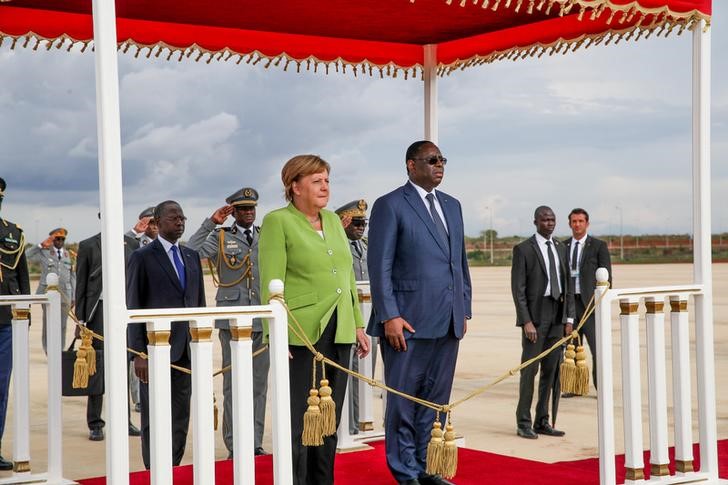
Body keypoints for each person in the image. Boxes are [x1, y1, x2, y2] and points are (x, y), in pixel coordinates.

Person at [259, 155, 370, 485]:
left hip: (341, 330)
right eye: (317, 180)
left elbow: (347, 277)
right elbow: (272, 283)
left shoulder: (335, 222)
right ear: (295, 186)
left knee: (329, 420)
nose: (325, 187)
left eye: (327, 180)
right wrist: (274, 334)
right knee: (301, 422)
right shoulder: (278, 221)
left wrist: (358, 325)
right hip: (301, 333)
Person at [367, 140, 472, 485]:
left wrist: (464, 307)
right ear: (411, 165)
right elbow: (379, 265)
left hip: (448, 321)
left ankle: (428, 468)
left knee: (435, 401)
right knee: (403, 403)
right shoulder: (391, 205)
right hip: (406, 322)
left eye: (442, 159)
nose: (439, 165)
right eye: (431, 160)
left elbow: (459, 262)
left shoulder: (452, 206)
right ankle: (406, 471)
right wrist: (388, 315)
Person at [186, 187, 269, 458]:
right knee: (234, 386)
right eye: (242, 209)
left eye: (251, 208)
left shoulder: (265, 236)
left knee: (258, 386)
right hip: (232, 321)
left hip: (261, 320)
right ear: (234, 211)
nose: (248, 213)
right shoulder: (221, 237)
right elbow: (189, 251)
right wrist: (212, 222)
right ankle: (235, 445)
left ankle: (254, 443)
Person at [126, 200, 205, 469]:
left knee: (181, 416)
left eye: (182, 217)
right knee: (155, 416)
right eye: (173, 218)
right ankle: (155, 470)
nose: (180, 222)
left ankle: (174, 467)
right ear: (156, 223)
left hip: (185, 351)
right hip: (154, 351)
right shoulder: (142, 257)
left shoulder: (192, 257)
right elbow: (133, 305)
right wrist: (138, 354)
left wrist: (200, 346)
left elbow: (199, 306)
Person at [511, 206, 575, 440]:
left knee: (552, 372)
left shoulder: (561, 248)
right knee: (530, 371)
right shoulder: (523, 250)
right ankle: (523, 422)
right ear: (535, 222)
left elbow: (568, 286)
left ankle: (542, 420)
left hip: (557, 317)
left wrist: (569, 319)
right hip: (536, 319)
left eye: (552, 219)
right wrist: (526, 321)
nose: (550, 223)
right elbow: (518, 290)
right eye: (545, 220)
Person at [75, 222, 142, 441]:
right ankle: (95, 423)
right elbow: (82, 284)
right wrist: (81, 320)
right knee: (97, 368)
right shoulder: (89, 245)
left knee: (123, 368)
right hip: (99, 312)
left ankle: (124, 420)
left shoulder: (131, 244)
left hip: (123, 311)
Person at [563, 208, 612, 396]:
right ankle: (576, 387)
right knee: (572, 349)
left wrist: (601, 304)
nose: (577, 225)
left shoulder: (598, 246)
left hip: (590, 305)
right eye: (574, 221)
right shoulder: (563, 246)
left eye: (580, 221)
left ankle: (601, 387)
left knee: (596, 348)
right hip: (570, 305)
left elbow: (608, 278)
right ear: (570, 224)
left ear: (587, 224)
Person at [0, 177, 31, 470]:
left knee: (0, 387)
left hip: (5, 322)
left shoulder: (12, 233)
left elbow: (21, 276)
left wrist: (26, 312)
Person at [335, 199, 371, 435]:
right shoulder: (337, 244)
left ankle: (358, 425)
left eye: (363, 223)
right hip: (344, 317)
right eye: (355, 222)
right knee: (343, 378)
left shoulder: (367, 246)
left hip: (367, 318)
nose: (360, 227)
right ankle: (343, 428)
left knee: (365, 376)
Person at [26, 227, 75, 354]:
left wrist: (74, 295)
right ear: (52, 239)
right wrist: (40, 245)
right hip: (47, 293)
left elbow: (72, 276)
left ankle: (60, 350)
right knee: (48, 323)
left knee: (63, 325)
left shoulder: (68, 254)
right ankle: (48, 349)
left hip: (65, 294)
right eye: (56, 238)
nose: (59, 241)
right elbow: (26, 256)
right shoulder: (45, 252)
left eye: (62, 239)